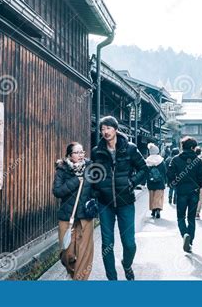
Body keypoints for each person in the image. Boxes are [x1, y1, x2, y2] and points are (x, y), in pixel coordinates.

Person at [91, 116, 148, 280]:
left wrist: (132, 182)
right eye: (102, 129)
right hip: (105, 203)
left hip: (126, 202)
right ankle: (112, 280)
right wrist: (96, 192)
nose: (105, 132)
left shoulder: (130, 148)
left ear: (115, 129)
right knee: (107, 244)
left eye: (108, 128)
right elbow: (94, 176)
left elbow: (144, 169)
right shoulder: (97, 152)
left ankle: (127, 264)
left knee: (129, 243)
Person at [52, 142, 95, 280]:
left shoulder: (90, 168)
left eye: (82, 152)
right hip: (67, 216)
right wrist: (76, 181)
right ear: (69, 156)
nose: (81, 155)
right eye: (77, 152)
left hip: (85, 216)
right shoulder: (62, 170)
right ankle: (73, 271)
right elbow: (57, 191)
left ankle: (80, 281)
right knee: (67, 252)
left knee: (84, 252)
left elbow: (98, 189)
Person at [167, 137, 202, 253]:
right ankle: (190, 241)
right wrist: (198, 186)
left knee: (180, 217)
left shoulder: (175, 159)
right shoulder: (199, 161)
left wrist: (174, 184)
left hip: (181, 191)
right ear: (192, 148)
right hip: (194, 192)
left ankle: (184, 234)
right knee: (191, 218)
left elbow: (169, 174)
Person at [145, 143, 167, 219]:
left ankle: (153, 210)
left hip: (150, 181)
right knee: (158, 196)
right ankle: (158, 209)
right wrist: (166, 181)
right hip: (160, 181)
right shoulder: (161, 161)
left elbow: (145, 172)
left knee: (152, 196)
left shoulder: (147, 161)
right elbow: (164, 171)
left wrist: (143, 182)